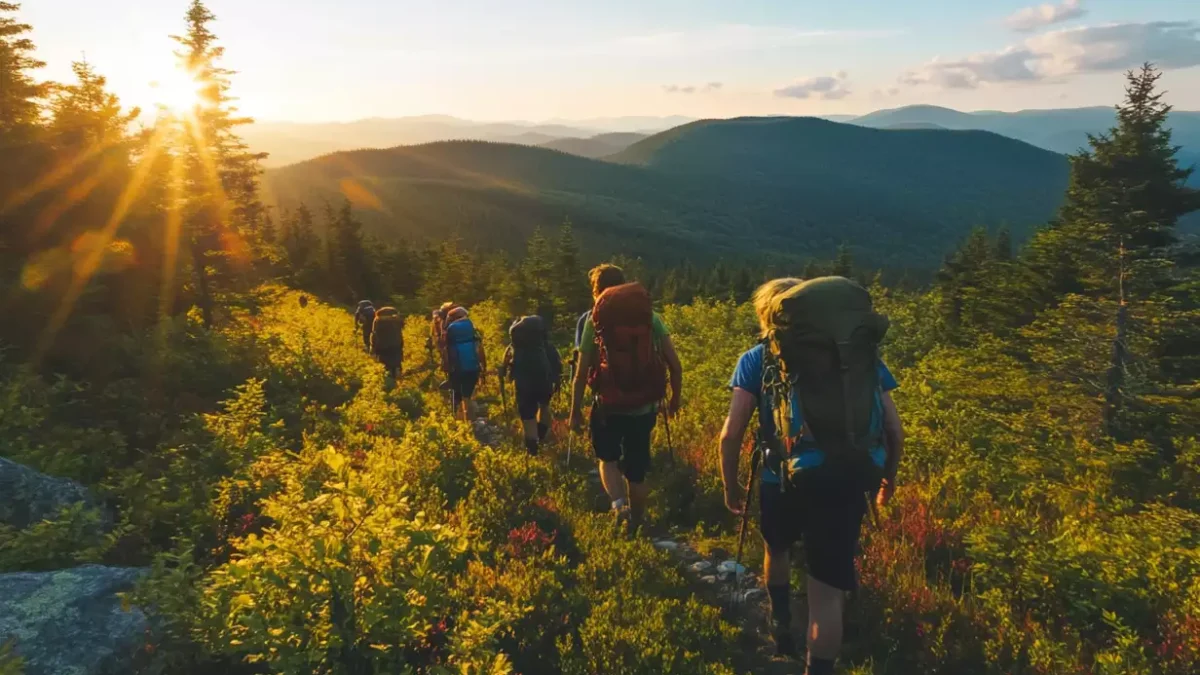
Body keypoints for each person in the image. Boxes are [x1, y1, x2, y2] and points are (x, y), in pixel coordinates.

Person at [717, 277, 904, 673]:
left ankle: (781, 621)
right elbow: (893, 429)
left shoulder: (755, 359)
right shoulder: (860, 359)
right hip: (846, 479)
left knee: (777, 551)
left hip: (778, 480)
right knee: (827, 595)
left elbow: (730, 434)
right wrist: (888, 479)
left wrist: (730, 486)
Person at [570, 264, 683, 532]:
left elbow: (581, 371)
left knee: (608, 459)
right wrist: (674, 399)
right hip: (644, 406)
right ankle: (638, 521)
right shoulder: (650, 318)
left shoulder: (593, 321)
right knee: (637, 468)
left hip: (608, 405)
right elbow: (675, 365)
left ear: (597, 290)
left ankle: (619, 506)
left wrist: (575, 410)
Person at [501, 315, 562, 456]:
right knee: (544, 406)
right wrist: (556, 379)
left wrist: (507, 373)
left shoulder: (515, 347)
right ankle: (541, 434)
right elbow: (557, 364)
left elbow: (506, 364)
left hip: (523, 382)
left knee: (528, 414)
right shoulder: (546, 345)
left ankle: (532, 447)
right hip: (544, 381)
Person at [443, 306, 487, 420]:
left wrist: (446, 366)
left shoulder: (450, 330)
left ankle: (459, 419)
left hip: (457, 368)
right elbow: (480, 350)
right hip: (473, 367)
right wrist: (483, 366)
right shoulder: (472, 328)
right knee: (467, 393)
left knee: (456, 392)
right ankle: (469, 416)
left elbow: (446, 352)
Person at [370, 306, 405, 378]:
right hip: (396, 345)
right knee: (396, 363)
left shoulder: (377, 320)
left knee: (385, 365)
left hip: (382, 346)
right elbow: (400, 332)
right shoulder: (397, 320)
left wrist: (373, 347)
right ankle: (398, 376)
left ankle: (388, 381)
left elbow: (374, 334)